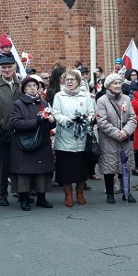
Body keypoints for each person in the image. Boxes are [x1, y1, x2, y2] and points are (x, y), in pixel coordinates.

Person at [9, 77, 56, 210]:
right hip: (25, 142)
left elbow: (51, 123)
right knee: (24, 172)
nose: (32, 88)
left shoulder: (44, 102)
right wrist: (36, 121)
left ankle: (41, 198)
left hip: (42, 141)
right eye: (29, 86)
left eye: (35, 86)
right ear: (24, 89)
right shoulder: (18, 104)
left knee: (42, 171)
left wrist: (52, 120)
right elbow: (15, 123)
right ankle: (24, 198)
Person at [51, 69, 95, 207]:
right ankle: (68, 195)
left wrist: (84, 120)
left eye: (72, 79)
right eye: (67, 79)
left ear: (78, 81)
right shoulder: (59, 96)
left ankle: (80, 193)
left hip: (82, 138)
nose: (69, 82)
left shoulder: (86, 96)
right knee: (66, 170)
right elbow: (56, 113)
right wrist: (68, 121)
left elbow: (91, 112)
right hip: (64, 137)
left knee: (81, 169)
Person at [95, 74, 137, 204]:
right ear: (108, 85)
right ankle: (110, 193)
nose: (118, 86)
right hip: (109, 139)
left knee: (125, 165)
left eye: (119, 83)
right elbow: (102, 121)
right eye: (115, 83)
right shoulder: (102, 101)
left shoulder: (126, 99)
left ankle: (126, 192)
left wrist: (126, 131)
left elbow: (132, 118)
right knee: (109, 166)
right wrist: (117, 133)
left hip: (125, 137)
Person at [0, 56, 21, 206]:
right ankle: (1, 194)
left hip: (20, 131)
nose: (7, 70)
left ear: (14, 67)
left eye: (9, 67)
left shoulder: (22, 84)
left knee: (20, 164)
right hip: (1, 131)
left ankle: (21, 191)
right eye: (4, 68)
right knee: (2, 165)